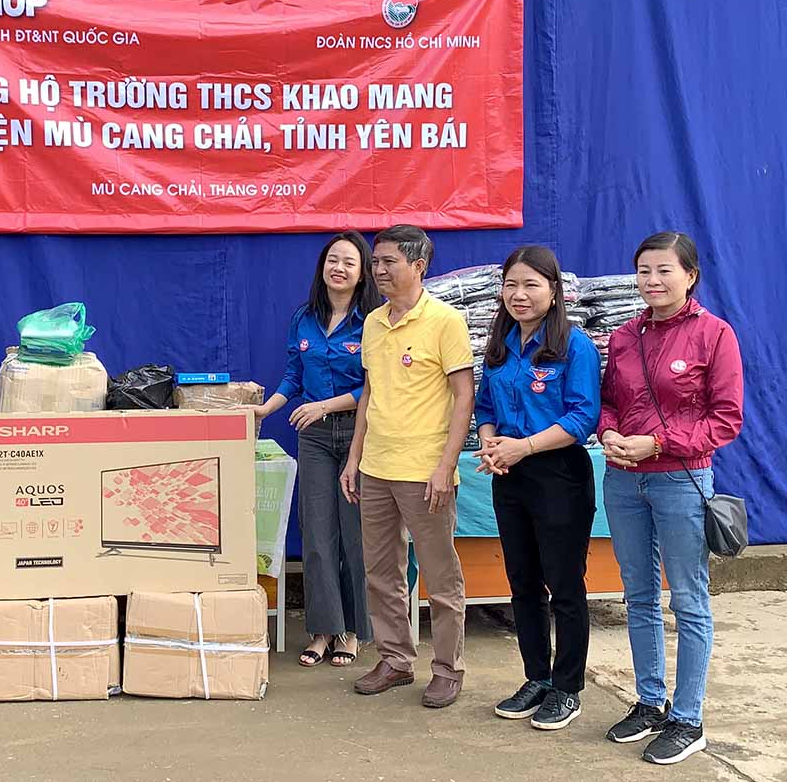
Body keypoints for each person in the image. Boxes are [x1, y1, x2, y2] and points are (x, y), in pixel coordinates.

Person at [599, 232, 743, 764]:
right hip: (623, 480)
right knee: (637, 595)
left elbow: (725, 420)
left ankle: (688, 719)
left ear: (690, 275)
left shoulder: (714, 334)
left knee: (687, 599)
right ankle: (650, 702)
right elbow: (609, 400)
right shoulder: (623, 336)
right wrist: (609, 432)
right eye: (643, 271)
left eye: (664, 270)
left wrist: (657, 443)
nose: (652, 281)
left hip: (682, 481)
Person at [340, 224, 474, 709]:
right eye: (375, 262)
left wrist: (445, 465)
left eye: (388, 262)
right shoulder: (373, 322)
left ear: (418, 266)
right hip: (377, 466)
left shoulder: (445, 321)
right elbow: (369, 394)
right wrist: (354, 458)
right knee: (380, 571)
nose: (378, 270)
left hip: (424, 470)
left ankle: (448, 669)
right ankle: (395, 659)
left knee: (440, 576)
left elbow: (464, 397)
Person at [473, 246, 601, 730]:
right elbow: (485, 406)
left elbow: (583, 417)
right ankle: (537, 678)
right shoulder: (501, 344)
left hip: (558, 473)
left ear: (553, 290)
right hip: (509, 474)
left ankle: (567, 688)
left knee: (564, 585)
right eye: (511, 285)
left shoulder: (574, 345)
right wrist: (491, 444)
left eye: (531, 285)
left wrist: (522, 447)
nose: (519, 295)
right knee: (523, 582)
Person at [249, 232, 380, 667]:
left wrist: (325, 405)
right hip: (315, 438)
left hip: (360, 435)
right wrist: (265, 409)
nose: (338, 268)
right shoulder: (304, 317)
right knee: (318, 534)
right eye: (332, 260)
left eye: (349, 262)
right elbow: (293, 374)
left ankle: (353, 631)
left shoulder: (374, 321)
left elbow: (375, 386)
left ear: (362, 273)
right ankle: (323, 630)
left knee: (355, 536)